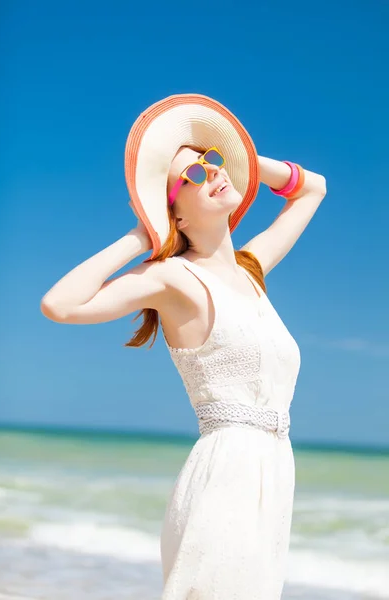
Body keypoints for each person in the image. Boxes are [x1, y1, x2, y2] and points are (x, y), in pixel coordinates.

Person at [41, 94, 327, 599]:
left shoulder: (251, 270)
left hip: (275, 476)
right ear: (176, 215)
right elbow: (59, 304)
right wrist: (142, 233)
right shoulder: (172, 278)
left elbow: (312, 189)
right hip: (225, 477)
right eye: (192, 175)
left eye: (212, 162)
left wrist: (236, 151)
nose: (211, 172)